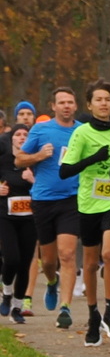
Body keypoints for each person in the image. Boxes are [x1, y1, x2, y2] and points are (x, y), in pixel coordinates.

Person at [57, 81, 110, 346]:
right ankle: (93, 315)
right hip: (89, 203)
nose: (104, 103)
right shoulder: (82, 133)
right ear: (89, 105)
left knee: (109, 253)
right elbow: (64, 171)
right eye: (98, 99)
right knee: (89, 263)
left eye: (107, 99)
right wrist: (94, 158)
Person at [18, 87, 83, 328]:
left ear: (75, 106)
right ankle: (52, 282)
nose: (66, 106)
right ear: (53, 106)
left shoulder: (82, 131)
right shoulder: (41, 130)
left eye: (70, 102)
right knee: (48, 261)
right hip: (44, 199)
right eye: (61, 102)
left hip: (72, 199)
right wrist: (38, 156)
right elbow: (19, 159)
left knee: (67, 254)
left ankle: (65, 307)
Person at [0, 102, 36, 324]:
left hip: (30, 219)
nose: (22, 138)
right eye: (18, 135)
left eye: (25, 135)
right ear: (11, 139)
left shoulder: (35, 162)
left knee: (25, 263)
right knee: (11, 258)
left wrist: (33, 180)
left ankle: (17, 306)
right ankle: (6, 292)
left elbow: (47, 186)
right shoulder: (3, 159)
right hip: (6, 216)